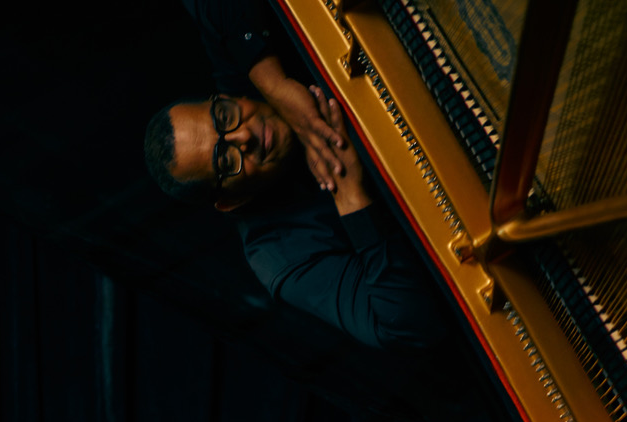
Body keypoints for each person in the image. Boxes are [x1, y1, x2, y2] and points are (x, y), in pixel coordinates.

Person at [143, 0, 453, 351]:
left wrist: (272, 82)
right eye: (226, 160)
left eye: (224, 118)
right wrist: (351, 194)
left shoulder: (239, 79)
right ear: (230, 201)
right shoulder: (278, 256)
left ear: (220, 99)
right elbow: (407, 327)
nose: (244, 137)